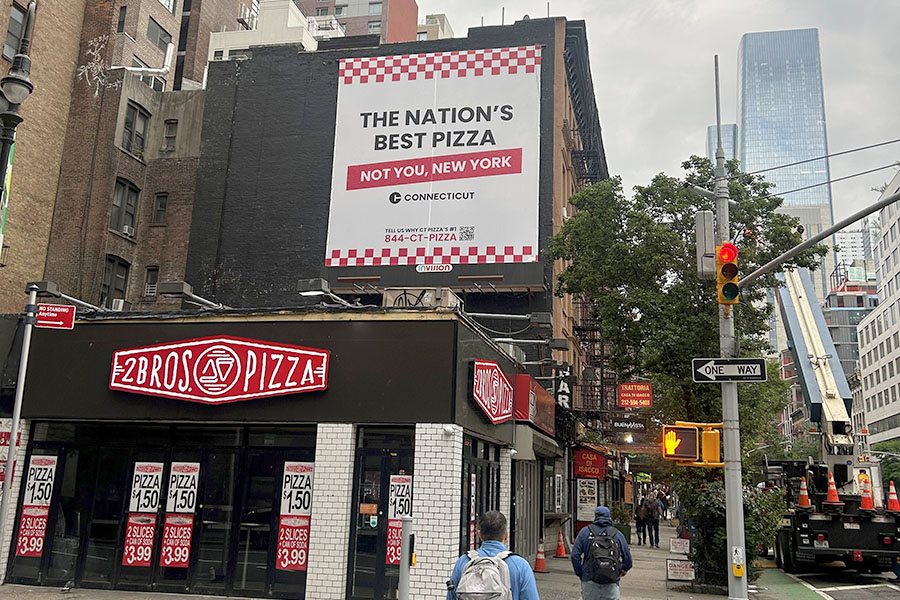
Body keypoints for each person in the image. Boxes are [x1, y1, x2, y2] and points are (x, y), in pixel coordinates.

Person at [446, 510, 540, 600]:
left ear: (479, 535)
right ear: (506, 535)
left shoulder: (464, 561)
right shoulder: (520, 565)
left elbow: (451, 596)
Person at [571, 506, 632, 600]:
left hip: (589, 579)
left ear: (595, 516)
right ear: (609, 517)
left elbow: (575, 555)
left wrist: (581, 573)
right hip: (611, 581)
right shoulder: (618, 535)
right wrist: (622, 570)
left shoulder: (585, 532)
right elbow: (627, 559)